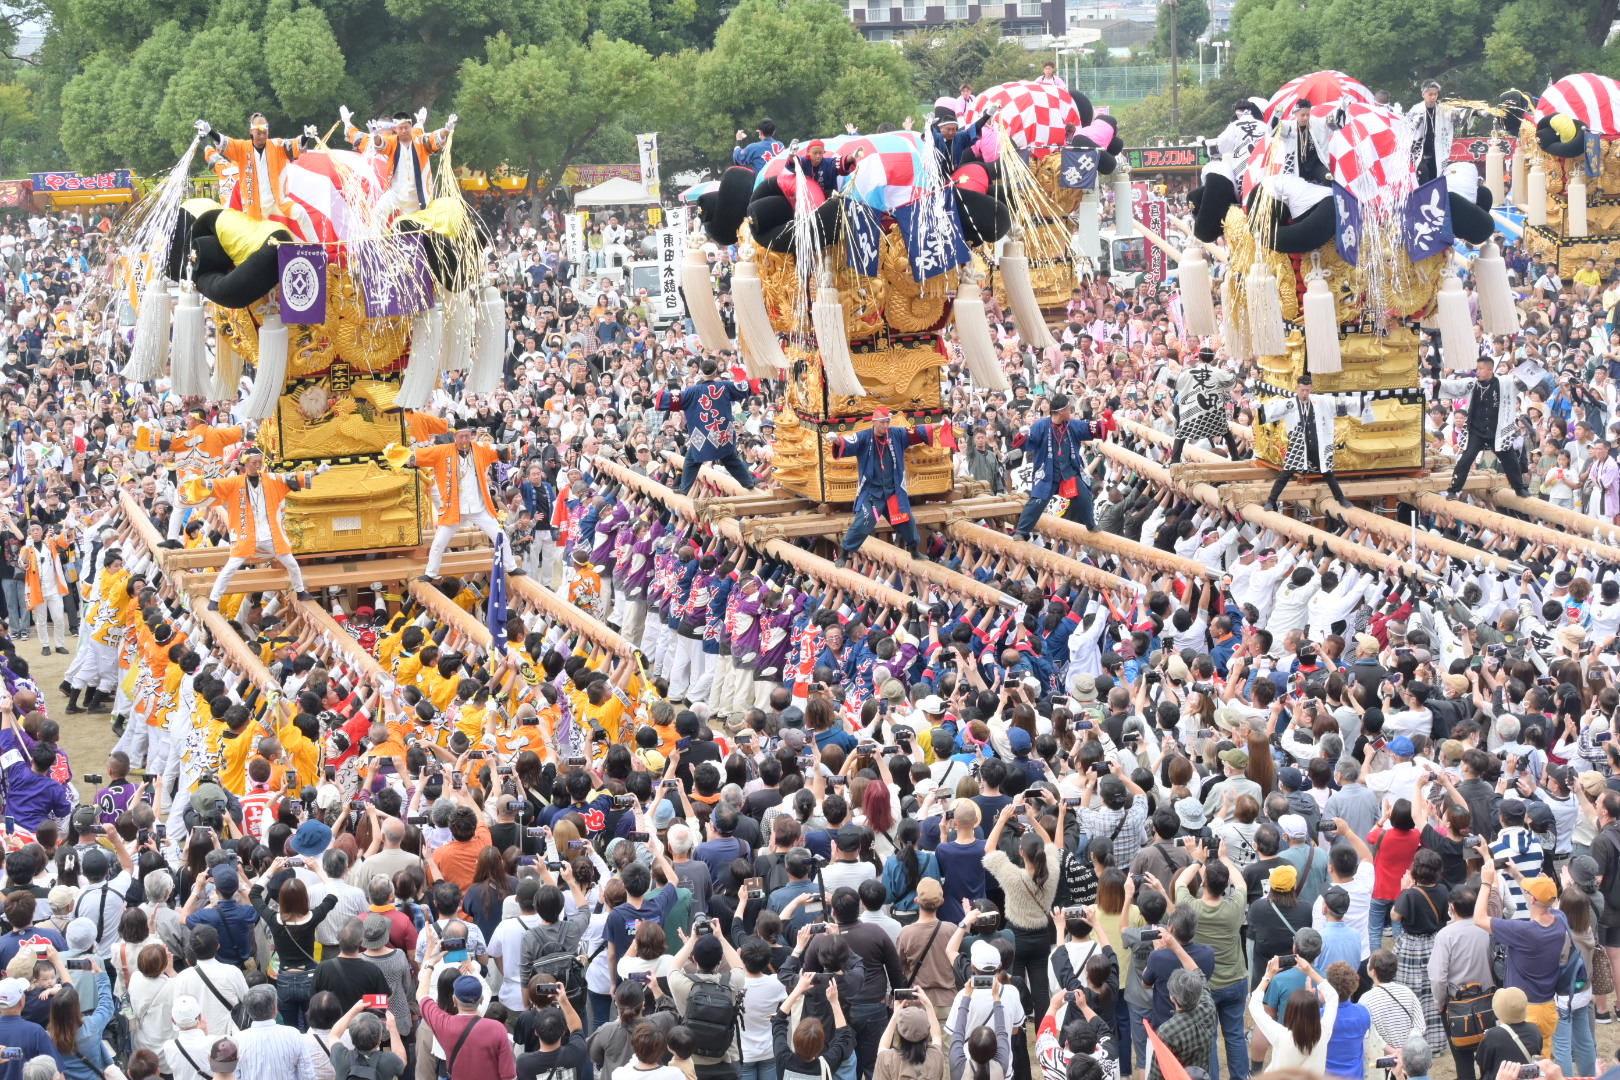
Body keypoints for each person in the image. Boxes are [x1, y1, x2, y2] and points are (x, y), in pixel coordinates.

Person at [190, 448, 325, 610]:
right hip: (246, 534)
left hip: (270, 534)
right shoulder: (235, 482)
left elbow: (292, 478)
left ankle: (300, 590)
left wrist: (317, 472)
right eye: (254, 462)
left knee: (292, 564)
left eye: (260, 462)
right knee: (230, 568)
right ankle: (214, 600)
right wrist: (198, 481)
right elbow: (215, 485)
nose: (258, 465)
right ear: (246, 463)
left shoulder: (272, 479)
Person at [392, 422, 521, 580]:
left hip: (478, 507)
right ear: (455, 437)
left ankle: (512, 567)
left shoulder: (480, 449)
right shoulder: (442, 451)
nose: (465, 439)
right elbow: (418, 455)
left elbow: (502, 450)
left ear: (471, 435)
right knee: (439, 542)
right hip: (455, 508)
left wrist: (519, 445)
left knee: (499, 535)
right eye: (461, 436)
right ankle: (430, 573)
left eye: (467, 436)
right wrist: (396, 451)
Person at [830, 406, 952, 562]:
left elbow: (917, 431)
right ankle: (844, 554)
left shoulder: (896, 434)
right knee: (863, 522)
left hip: (893, 492)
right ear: (874, 422)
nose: (886, 426)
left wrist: (940, 424)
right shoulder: (864, 437)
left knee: (907, 521)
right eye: (883, 423)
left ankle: (914, 550)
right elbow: (848, 441)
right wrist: (836, 440)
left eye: (888, 422)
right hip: (873, 494)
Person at [1259, 374, 1364, 509]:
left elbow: (1338, 402)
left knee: (1327, 472)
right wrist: (1259, 407)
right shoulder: (1290, 403)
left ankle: (1341, 499)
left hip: (1316, 445)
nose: (1305, 393)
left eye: (1307, 390)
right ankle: (1271, 500)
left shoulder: (1320, 401)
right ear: (1297, 389)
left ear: (1311, 389)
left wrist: (1361, 402)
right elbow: (1273, 408)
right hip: (1298, 445)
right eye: (1302, 390)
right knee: (1286, 473)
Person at [1012, 394, 1112, 537]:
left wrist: (1105, 424)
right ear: (1061, 411)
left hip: (1068, 471)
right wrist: (1022, 435)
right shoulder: (1040, 426)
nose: (1070, 411)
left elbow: (1090, 428)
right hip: (1047, 473)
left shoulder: (1073, 424)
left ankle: (1090, 524)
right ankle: (1021, 532)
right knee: (1037, 501)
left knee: (1083, 495)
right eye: (1068, 409)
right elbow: (1025, 445)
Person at [655, 360, 760, 494]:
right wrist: (751, 372)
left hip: (702, 435)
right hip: (722, 433)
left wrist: (661, 392)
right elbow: (746, 387)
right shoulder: (725, 386)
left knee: (692, 460)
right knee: (730, 459)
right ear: (716, 372)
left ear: (701, 372)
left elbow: (673, 400)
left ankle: (684, 489)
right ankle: (748, 483)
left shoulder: (692, 391)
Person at [340, 107, 455, 219]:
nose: (404, 130)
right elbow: (418, 130)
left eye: (406, 127)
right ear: (395, 128)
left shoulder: (417, 139)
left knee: (409, 220)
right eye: (400, 128)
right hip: (388, 191)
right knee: (381, 215)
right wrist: (420, 121)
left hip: (415, 193)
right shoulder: (384, 141)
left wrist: (347, 122)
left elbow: (430, 136)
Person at [1438, 356, 1529, 496]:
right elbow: (1453, 386)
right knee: (1465, 459)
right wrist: (1435, 382)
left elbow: (1527, 378)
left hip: (1497, 432)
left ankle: (1519, 488)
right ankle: (1453, 490)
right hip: (1477, 431)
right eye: (1477, 369)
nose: (1478, 372)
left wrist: (1519, 363)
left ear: (1490, 369)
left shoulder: (1505, 382)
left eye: (1481, 369)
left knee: (1510, 460)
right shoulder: (1472, 383)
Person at [198, 115, 306, 220]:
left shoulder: (223, 167)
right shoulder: (248, 166)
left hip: (230, 216)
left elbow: (211, 156)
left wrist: (204, 139)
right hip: (244, 215)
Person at [1246, 955, 1337, 1072]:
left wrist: (1268, 975)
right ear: (1315, 1011)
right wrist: (1311, 972)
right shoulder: (1324, 1033)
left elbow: (1254, 1005)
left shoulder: (1280, 1035)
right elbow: (1333, 997)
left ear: (1289, 1012)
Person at [1170, 348, 1242, 462]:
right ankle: (1235, 457)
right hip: (1214, 412)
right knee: (1226, 432)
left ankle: (1174, 460)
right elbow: (1232, 383)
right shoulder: (1219, 372)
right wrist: (1232, 372)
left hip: (1192, 413)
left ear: (1199, 358)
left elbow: (1174, 381)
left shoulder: (1188, 373)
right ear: (1212, 359)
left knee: (1181, 433)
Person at [1473, 988, 1541, 1080]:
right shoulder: (1534, 1029)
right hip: (1527, 1077)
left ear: (1498, 1010)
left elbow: (1483, 1063)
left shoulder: (1492, 1035)